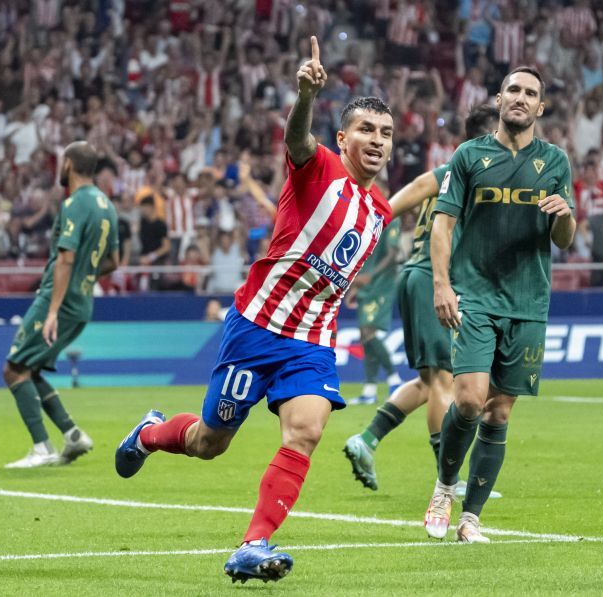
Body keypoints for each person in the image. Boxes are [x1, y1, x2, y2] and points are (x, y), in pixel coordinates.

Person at [114, 37, 394, 583]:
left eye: (385, 133)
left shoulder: (380, 211)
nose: (377, 140)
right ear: (343, 138)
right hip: (257, 328)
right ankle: (150, 432)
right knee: (209, 442)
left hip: (311, 341)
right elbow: (297, 138)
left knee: (307, 431)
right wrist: (305, 96)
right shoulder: (320, 169)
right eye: (365, 130)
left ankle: (253, 543)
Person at [425, 66, 575, 543]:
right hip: (475, 295)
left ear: (540, 107)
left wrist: (566, 215)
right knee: (469, 399)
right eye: (514, 89)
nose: (521, 98)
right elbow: (443, 225)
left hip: (528, 301)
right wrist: (442, 285)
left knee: (500, 412)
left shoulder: (554, 162)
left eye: (531, 93)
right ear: (499, 98)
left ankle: (471, 518)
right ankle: (444, 486)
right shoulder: (469, 155)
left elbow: (564, 240)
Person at [343, 105, 499, 493]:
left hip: (421, 276)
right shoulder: (468, 170)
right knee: (444, 379)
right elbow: (410, 195)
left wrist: (375, 217)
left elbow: (413, 192)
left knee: (430, 381)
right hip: (432, 277)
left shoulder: (461, 174)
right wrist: (370, 221)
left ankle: (367, 439)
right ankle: (449, 478)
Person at [2, 141, 119, 468]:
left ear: (68, 164)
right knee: (30, 368)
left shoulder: (75, 203)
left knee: (12, 369)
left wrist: (51, 310)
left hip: (60, 298)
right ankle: (72, 435)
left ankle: (42, 447)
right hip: (82, 301)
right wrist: (86, 277)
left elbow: (65, 259)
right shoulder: (106, 205)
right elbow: (114, 260)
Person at [346, 218, 402, 405]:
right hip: (366, 287)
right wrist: (357, 287)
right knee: (365, 335)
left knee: (368, 332)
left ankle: (394, 380)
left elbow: (393, 254)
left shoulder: (392, 219)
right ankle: (370, 390)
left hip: (381, 285)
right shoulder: (368, 218)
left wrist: (372, 276)